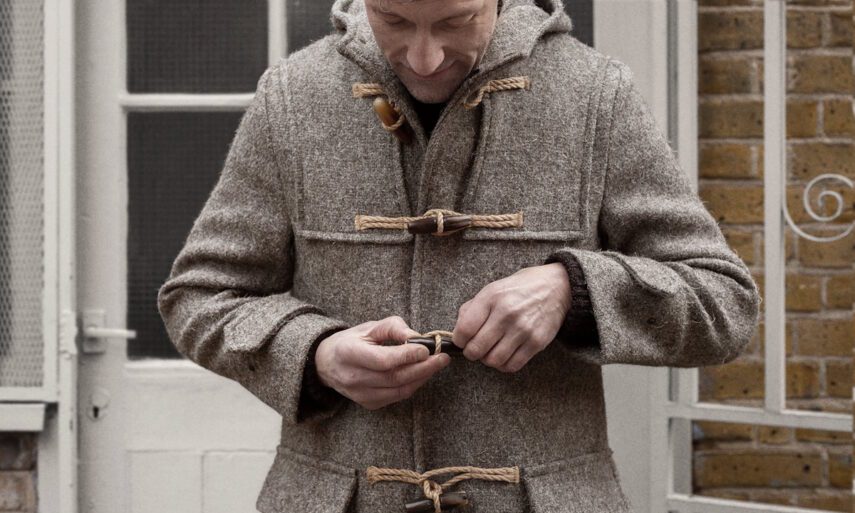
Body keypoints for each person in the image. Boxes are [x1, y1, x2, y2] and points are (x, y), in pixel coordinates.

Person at [157, 0, 761, 512]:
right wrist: (315, 354)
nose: (424, 58)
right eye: (394, 20)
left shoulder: (594, 94)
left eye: (455, 21)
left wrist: (572, 291)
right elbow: (200, 296)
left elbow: (724, 302)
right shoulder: (292, 97)